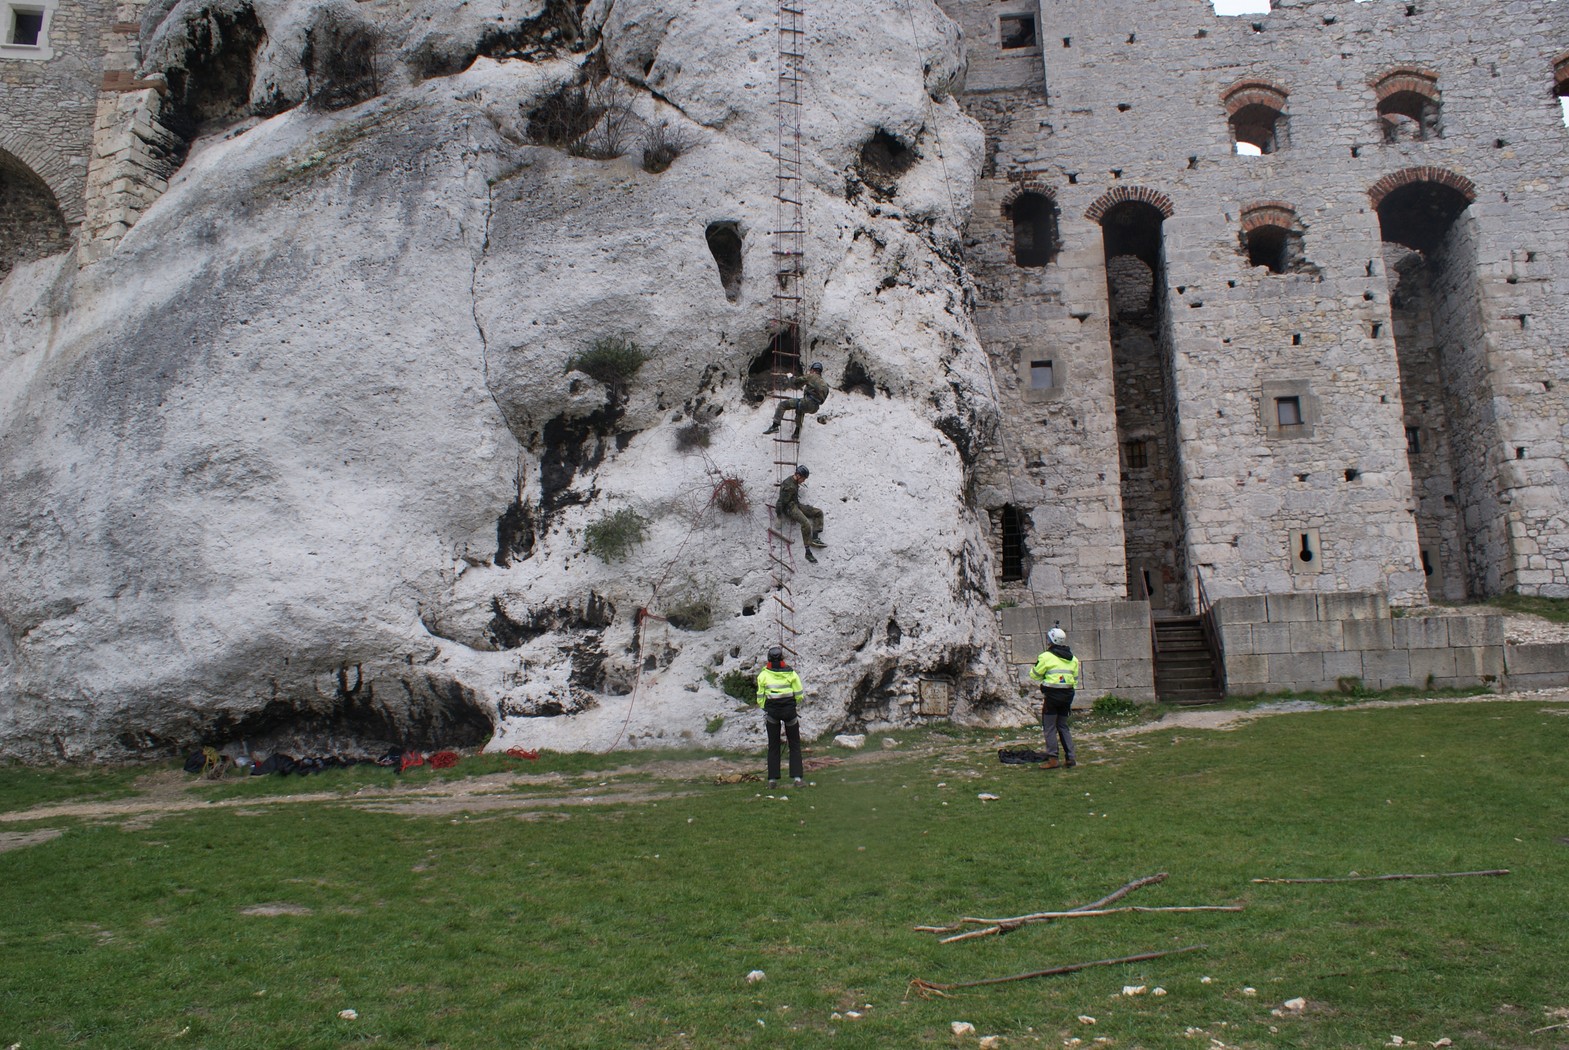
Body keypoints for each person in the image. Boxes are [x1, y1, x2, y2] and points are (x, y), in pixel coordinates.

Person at [1029, 626, 1081, 769]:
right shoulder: (1073, 659)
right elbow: (1075, 680)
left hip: (1052, 696)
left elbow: (1035, 674)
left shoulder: (1045, 656)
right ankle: (1070, 758)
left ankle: (1053, 759)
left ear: (1051, 640)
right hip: (1067, 695)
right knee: (1063, 726)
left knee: (1050, 727)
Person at [755, 645, 805, 787]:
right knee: (794, 744)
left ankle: (772, 780)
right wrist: (793, 704)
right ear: (782, 658)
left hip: (772, 713)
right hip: (789, 712)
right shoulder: (791, 673)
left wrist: (765, 707)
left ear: (768, 659)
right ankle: (797, 778)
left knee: (773, 745)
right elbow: (799, 694)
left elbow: (760, 696)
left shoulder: (763, 675)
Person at [763, 361, 830, 439]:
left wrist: (791, 377)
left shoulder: (812, 376)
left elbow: (796, 383)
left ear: (813, 370)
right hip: (815, 408)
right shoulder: (825, 385)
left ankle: (775, 426)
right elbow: (822, 400)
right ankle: (796, 433)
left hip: (807, 402)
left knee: (782, 405)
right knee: (800, 410)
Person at [776, 464, 826, 563]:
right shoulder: (788, 486)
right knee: (806, 523)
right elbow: (781, 502)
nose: (803, 481)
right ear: (798, 475)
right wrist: (779, 516)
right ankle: (807, 552)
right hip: (789, 508)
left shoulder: (794, 482)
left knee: (818, 512)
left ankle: (815, 538)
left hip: (796, 504)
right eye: (803, 479)